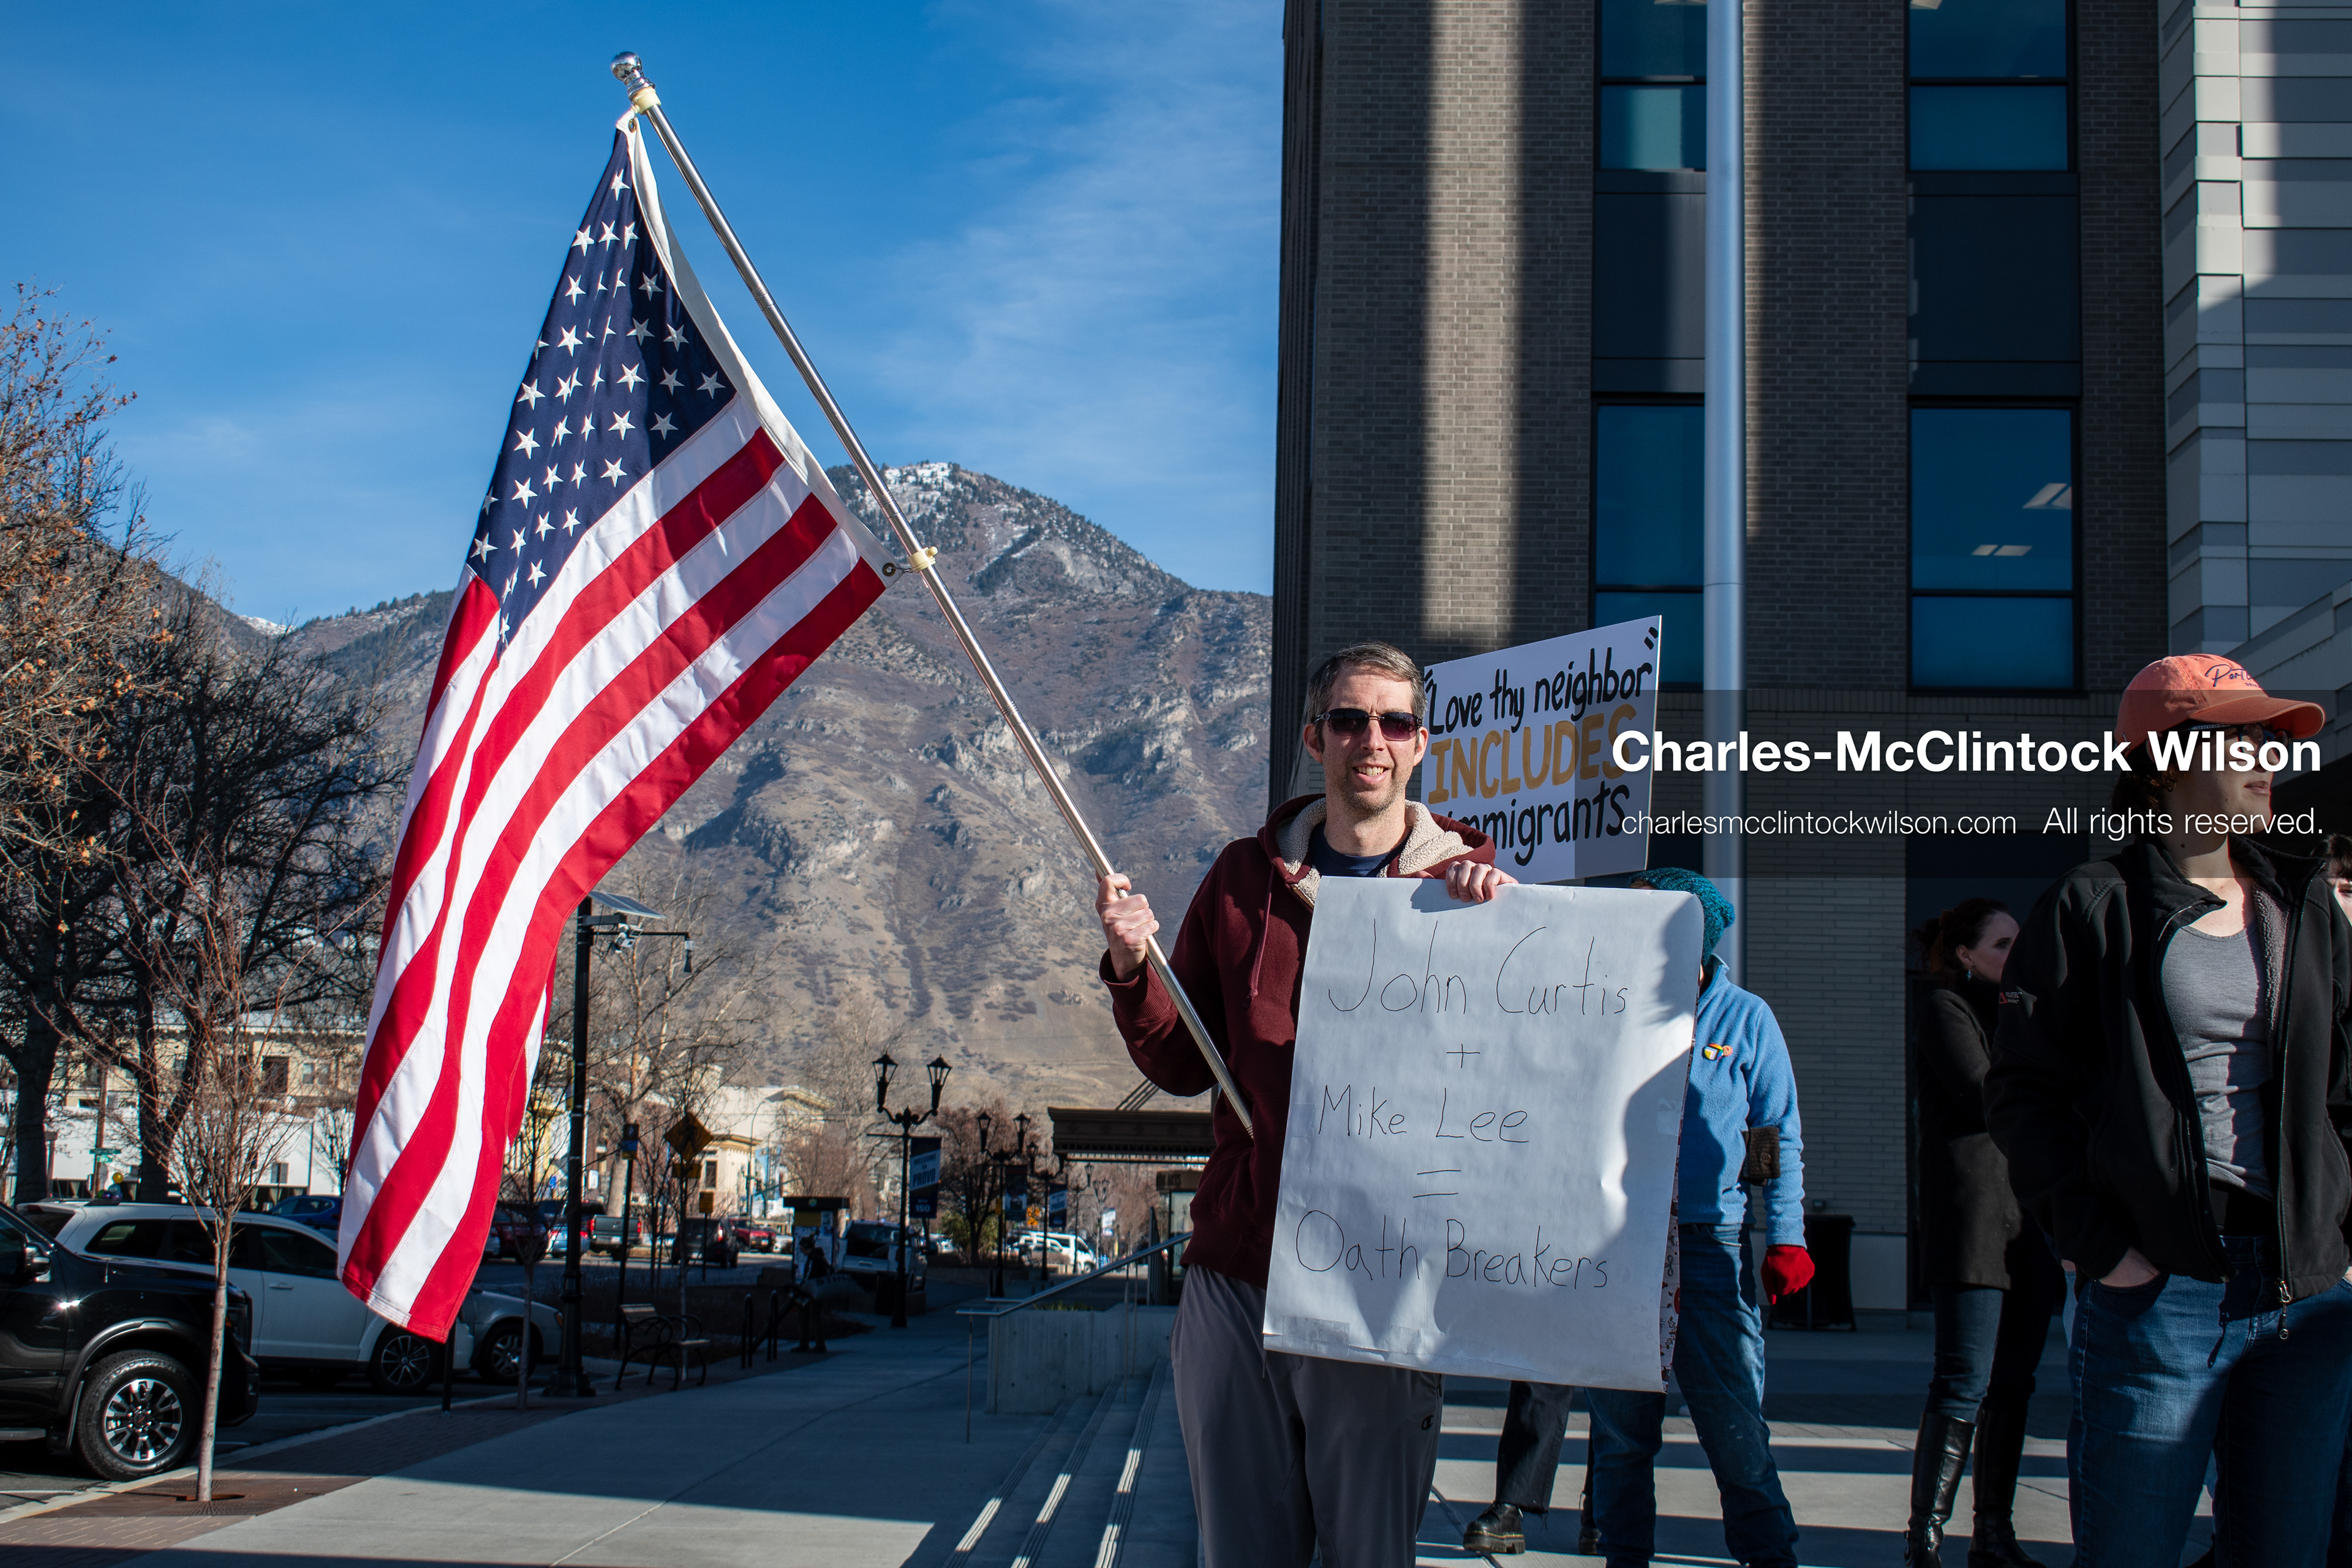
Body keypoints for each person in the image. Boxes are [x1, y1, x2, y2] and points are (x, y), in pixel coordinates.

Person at [1095, 639, 1512, 1568]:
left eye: (1395, 721)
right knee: (1240, 1548)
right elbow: (1180, 1062)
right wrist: (1132, 968)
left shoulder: (1469, 895)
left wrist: (1505, 928)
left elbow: (1512, 1081)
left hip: (1381, 1279)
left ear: (1421, 744)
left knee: (1370, 1552)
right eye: (1351, 720)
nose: (1373, 739)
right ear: (1316, 737)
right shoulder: (1243, 881)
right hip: (1240, 1266)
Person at [1985, 654, 2352, 1567]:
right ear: (2165, 760)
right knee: (2131, 1553)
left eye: (2273, 737)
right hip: (2163, 1293)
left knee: (2286, 1554)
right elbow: (2022, 1090)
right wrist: (2099, 1248)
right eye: (2242, 737)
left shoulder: (2305, 904)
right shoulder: (2094, 904)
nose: (2268, 756)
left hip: (2310, 1296)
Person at [1462, 868, 1813, 1568]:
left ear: (1699, 932)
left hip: (1709, 1251)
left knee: (1737, 1431)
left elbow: (1775, 1136)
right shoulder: (1604, 1010)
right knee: (1623, 1440)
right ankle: (1624, 1557)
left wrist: (1787, 1236)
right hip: (1620, 1251)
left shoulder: (1746, 1019)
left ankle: (1769, 1555)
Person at [1904, 899, 2064, 1568]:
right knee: (1964, 1377)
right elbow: (1981, 1093)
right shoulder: (1946, 1007)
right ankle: (1926, 1537)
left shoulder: (2025, 1014)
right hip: (1972, 1220)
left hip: (2030, 1222)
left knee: (2015, 1382)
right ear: (1966, 955)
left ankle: (1992, 1533)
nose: (2016, 955)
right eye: (2003, 944)